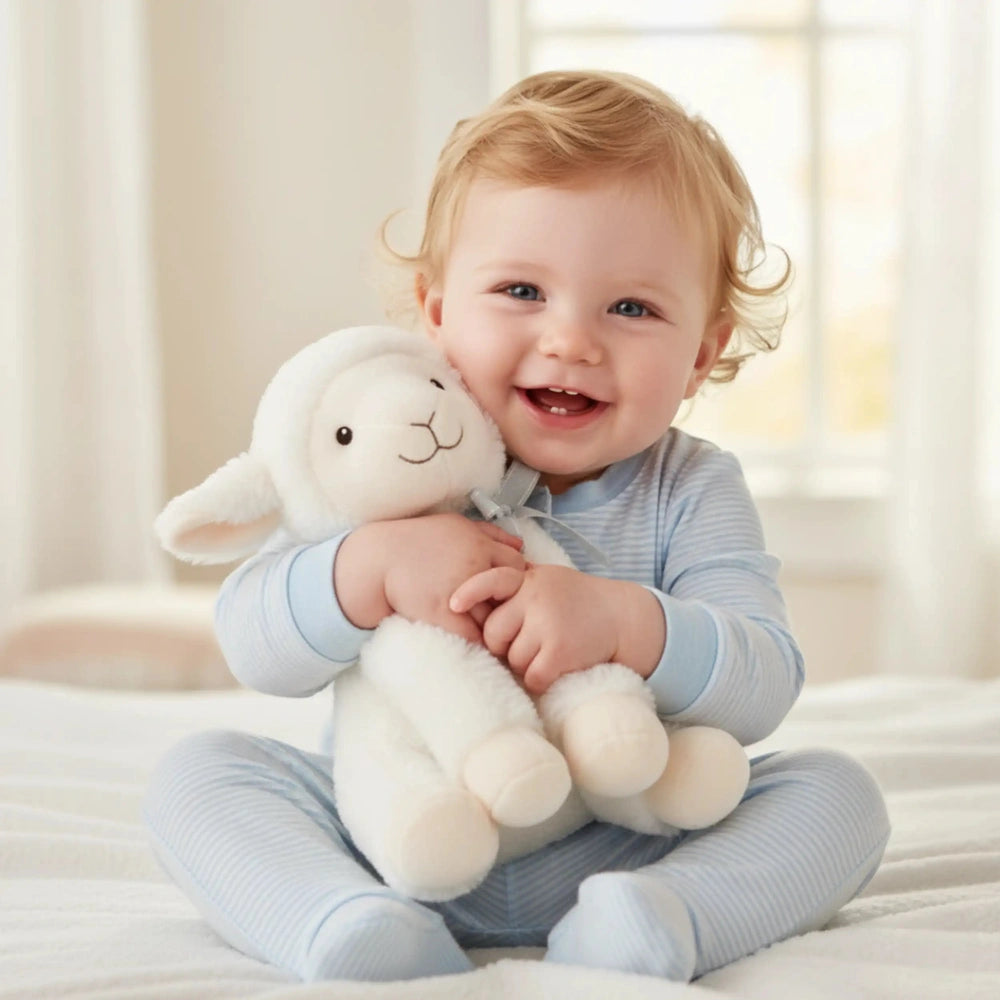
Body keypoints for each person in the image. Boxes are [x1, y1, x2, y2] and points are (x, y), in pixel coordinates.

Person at [144, 70, 890, 983]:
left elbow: (763, 681)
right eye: (521, 291)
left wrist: (626, 625)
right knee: (200, 774)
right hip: (400, 829)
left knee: (835, 797)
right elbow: (254, 645)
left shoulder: (692, 488)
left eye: (631, 308)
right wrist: (361, 570)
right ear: (436, 311)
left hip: (621, 838)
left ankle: (663, 920)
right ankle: (344, 922)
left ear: (702, 352)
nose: (571, 339)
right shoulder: (391, 451)